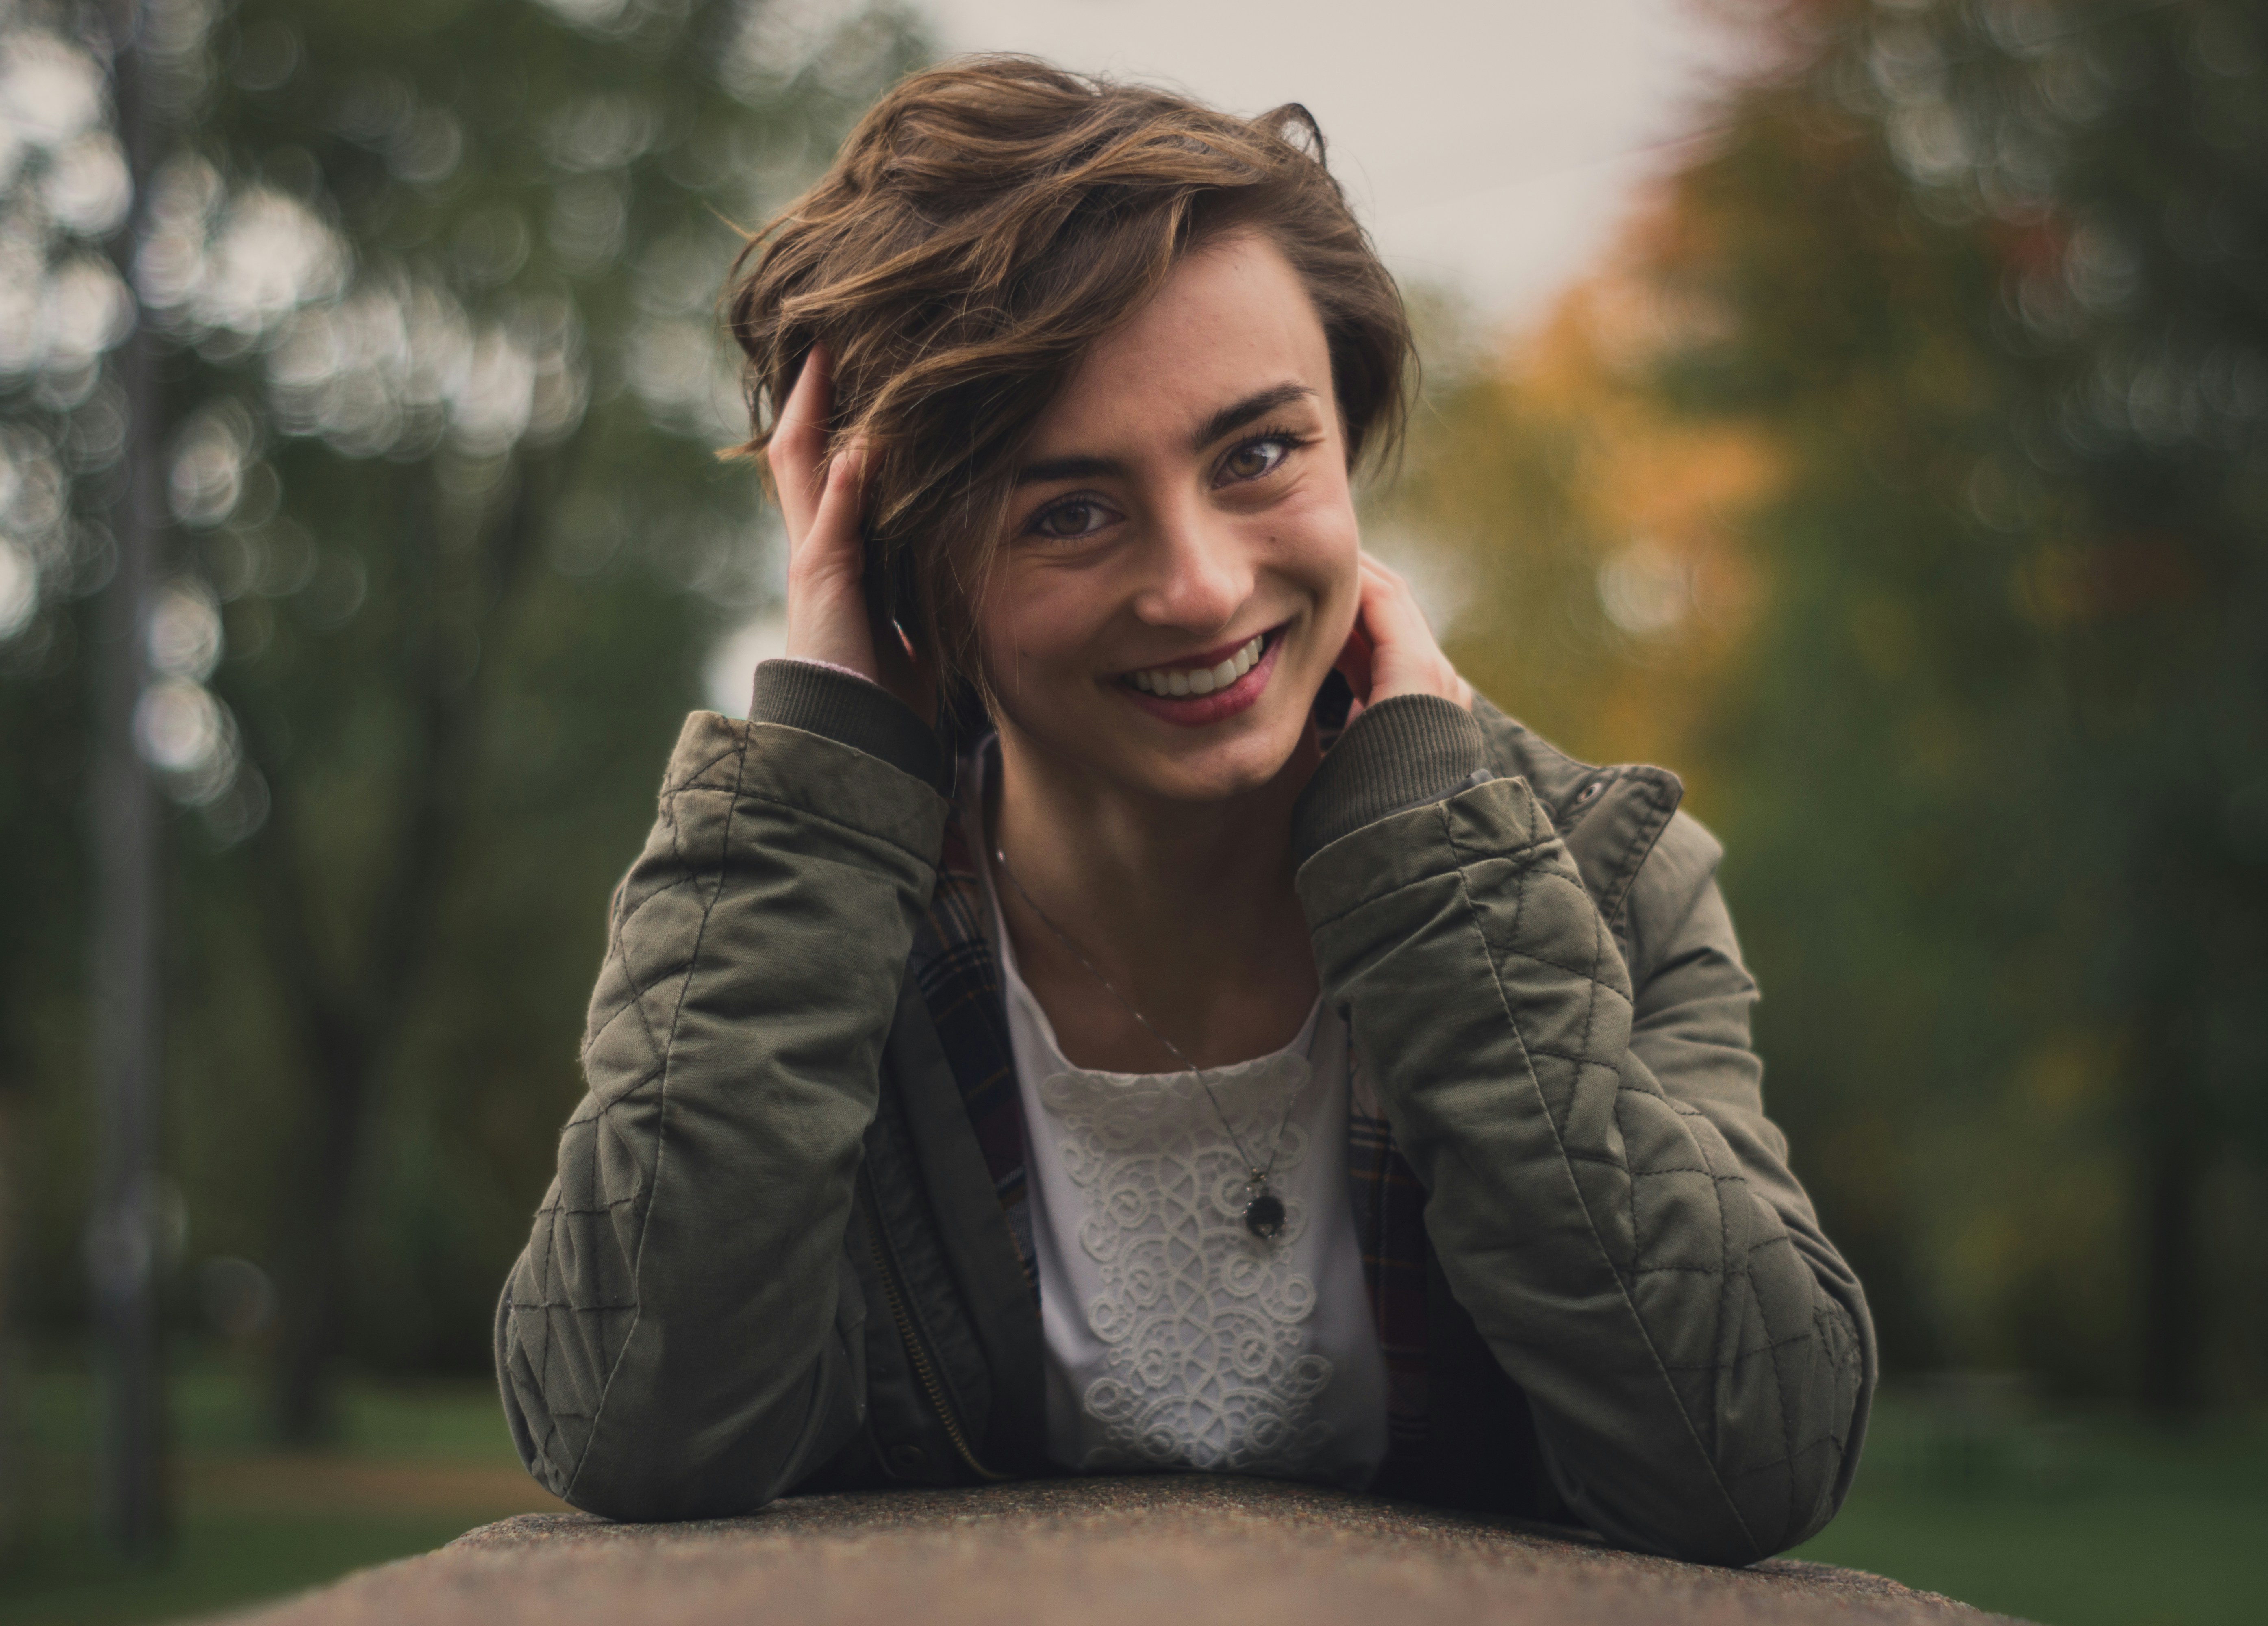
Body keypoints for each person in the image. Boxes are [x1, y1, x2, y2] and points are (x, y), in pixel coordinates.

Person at [494, 56, 1873, 1565]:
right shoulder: (812, 907)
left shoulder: (1608, 877)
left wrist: (1436, 877)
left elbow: (1750, 1457)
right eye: (1069, 512)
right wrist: (823, 761)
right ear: (905, 568)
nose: (1203, 588)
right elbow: (628, 1426)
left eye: (1259, 454)